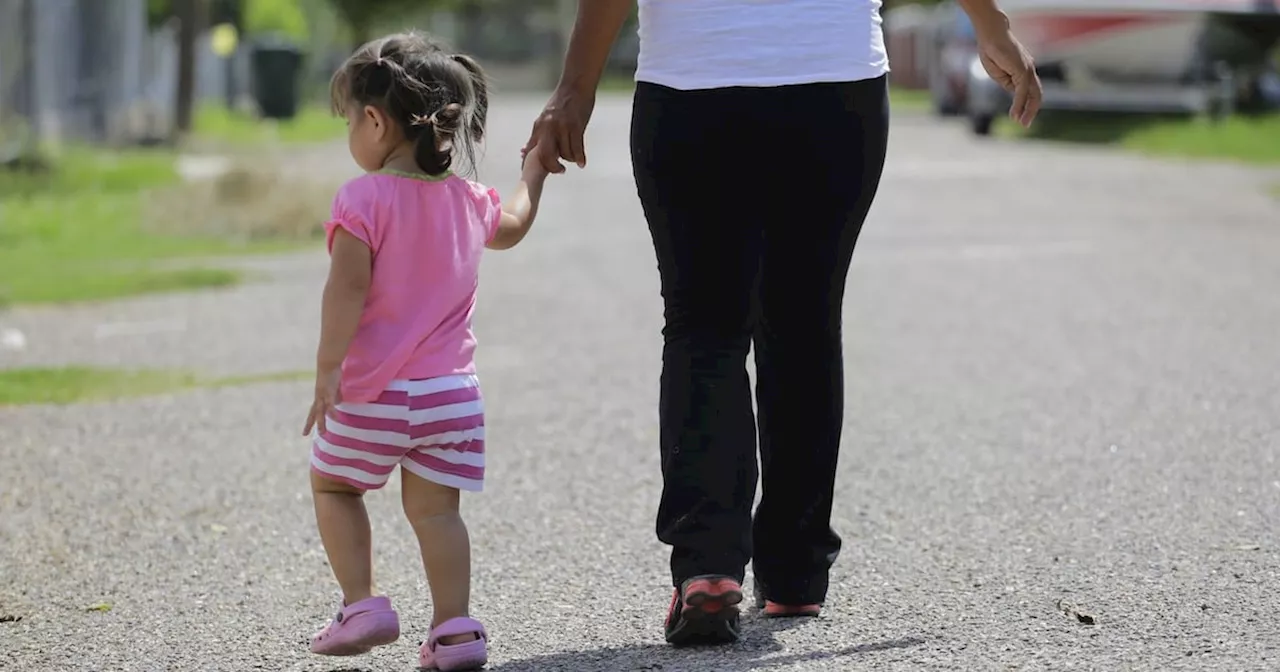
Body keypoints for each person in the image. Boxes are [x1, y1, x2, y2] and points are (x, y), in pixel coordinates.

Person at [524, 0, 1042, 647]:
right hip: (833, 83)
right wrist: (990, 22)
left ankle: (708, 568)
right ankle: (795, 572)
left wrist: (575, 87)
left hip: (695, 84)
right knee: (804, 321)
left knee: (704, 327)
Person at [302, 32, 549, 671]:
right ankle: (456, 631)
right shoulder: (469, 201)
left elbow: (346, 288)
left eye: (350, 122)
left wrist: (328, 369)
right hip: (451, 398)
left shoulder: (361, 199)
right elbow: (515, 224)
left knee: (334, 485)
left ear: (377, 121)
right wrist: (533, 169)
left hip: (373, 393)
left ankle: (363, 604)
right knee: (438, 513)